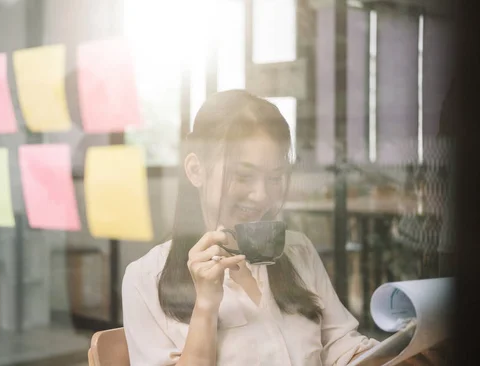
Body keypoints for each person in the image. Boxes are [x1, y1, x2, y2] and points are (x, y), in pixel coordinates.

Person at [121, 90, 442, 365]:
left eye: (275, 178)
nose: (262, 196)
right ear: (195, 170)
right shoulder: (146, 279)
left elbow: (339, 346)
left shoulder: (297, 250)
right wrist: (205, 304)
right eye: (244, 176)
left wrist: (399, 352)